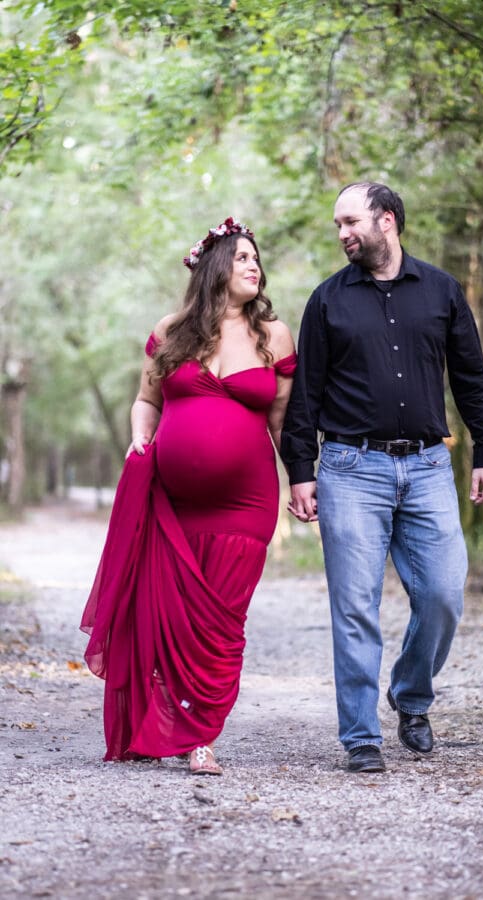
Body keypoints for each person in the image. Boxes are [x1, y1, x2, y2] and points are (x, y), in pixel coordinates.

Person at [281, 182, 483, 773]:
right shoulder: (327, 300)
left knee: (443, 595)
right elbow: (305, 394)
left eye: (350, 221)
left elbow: (472, 379)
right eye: (337, 224)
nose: (342, 233)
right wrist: (300, 469)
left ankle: (409, 695)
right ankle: (360, 737)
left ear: (388, 221)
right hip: (350, 470)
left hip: (429, 466)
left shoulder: (442, 290)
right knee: (355, 606)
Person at [81, 217, 296, 775]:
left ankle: (201, 734)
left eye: (256, 259)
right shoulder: (173, 330)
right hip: (171, 502)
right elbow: (146, 401)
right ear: (215, 267)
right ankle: (172, 723)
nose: (254, 266)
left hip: (246, 504)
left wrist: (302, 479)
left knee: (222, 620)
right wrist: (140, 437)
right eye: (243, 257)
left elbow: (281, 422)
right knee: (173, 616)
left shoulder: (274, 335)